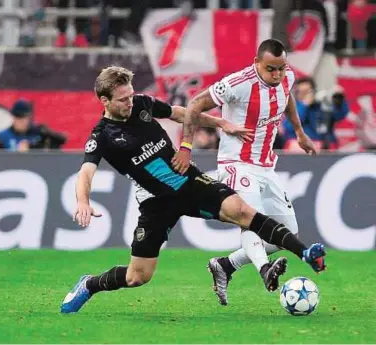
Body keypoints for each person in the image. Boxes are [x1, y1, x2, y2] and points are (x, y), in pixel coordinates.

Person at [61, 66, 326, 313]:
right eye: (122, 99)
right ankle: (90, 284)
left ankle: (303, 251)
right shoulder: (102, 136)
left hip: (189, 181)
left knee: (242, 211)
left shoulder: (141, 104)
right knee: (137, 277)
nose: (129, 102)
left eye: (130, 95)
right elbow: (86, 172)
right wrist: (83, 201)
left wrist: (221, 123)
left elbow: (180, 113)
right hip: (156, 202)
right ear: (105, 101)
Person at [171, 39, 324, 306]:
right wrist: (185, 146)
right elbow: (194, 104)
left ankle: (225, 265)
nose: (276, 75)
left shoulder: (287, 77)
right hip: (236, 163)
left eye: (280, 68)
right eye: (270, 69)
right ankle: (265, 269)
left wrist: (300, 132)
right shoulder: (238, 83)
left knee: (287, 234)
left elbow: (286, 97)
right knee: (249, 218)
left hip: (266, 165)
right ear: (257, 64)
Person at [282, 77, 349, 150]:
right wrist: (304, 104)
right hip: (299, 146)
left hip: (324, 146)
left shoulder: (321, 105)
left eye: (308, 92)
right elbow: (289, 127)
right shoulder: (292, 107)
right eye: (302, 92)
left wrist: (340, 101)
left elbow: (339, 115)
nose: (305, 95)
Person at [0, 99, 67, 151]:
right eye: (20, 119)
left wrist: (46, 132)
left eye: (26, 119)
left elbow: (62, 140)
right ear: (13, 118)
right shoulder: (2, 137)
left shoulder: (37, 133)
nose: (24, 122)